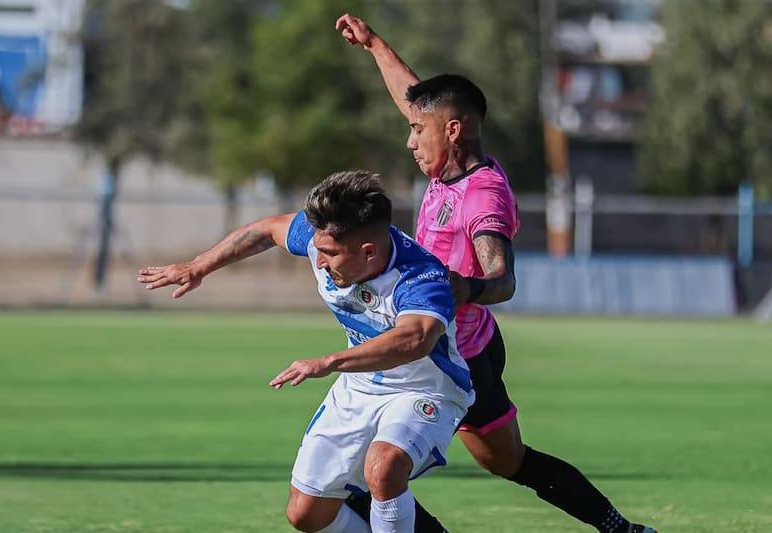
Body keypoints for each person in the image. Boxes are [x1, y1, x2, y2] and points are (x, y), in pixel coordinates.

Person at [336, 14, 658, 533]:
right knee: (492, 461)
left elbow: (503, 280)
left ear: (453, 130)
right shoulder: (448, 164)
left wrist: (462, 287)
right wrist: (374, 45)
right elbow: (414, 99)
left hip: (456, 354)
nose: (410, 140)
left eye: (418, 131)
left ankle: (621, 528)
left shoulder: (482, 194)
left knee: (393, 470)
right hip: (445, 344)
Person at [138, 170, 474, 533]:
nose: (320, 262)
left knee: (384, 467)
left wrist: (329, 362)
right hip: (359, 388)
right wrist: (199, 265)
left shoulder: (420, 276)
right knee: (306, 515)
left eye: (329, 254)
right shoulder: (324, 238)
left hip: (424, 390)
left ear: (368, 251)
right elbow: (268, 230)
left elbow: (414, 339)